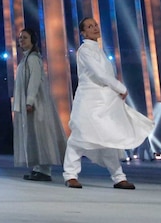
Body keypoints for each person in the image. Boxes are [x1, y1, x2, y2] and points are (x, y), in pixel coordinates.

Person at [63, 17, 153, 190]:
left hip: (104, 100)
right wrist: (120, 87)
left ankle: (119, 177)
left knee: (107, 137)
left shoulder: (98, 50)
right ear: (83, 32)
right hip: (89, 99)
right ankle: (70, 174)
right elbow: (99, 74)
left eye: (96, 25)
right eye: (90, 26)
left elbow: (104, 75)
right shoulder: (85, 50)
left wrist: (114, 90)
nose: (95, 28)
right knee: (79, 136)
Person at [13, 27, 67, 182]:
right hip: (31, 104)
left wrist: (29, 101)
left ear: (32, 41)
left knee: (41, 134)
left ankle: (45, 169)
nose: (21, 40)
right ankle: (38, 168)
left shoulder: (33, 59)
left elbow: (34, 81)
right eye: (20, 37)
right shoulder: (26, 59)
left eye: (25, 37)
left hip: (37, 104)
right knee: (33, 136)